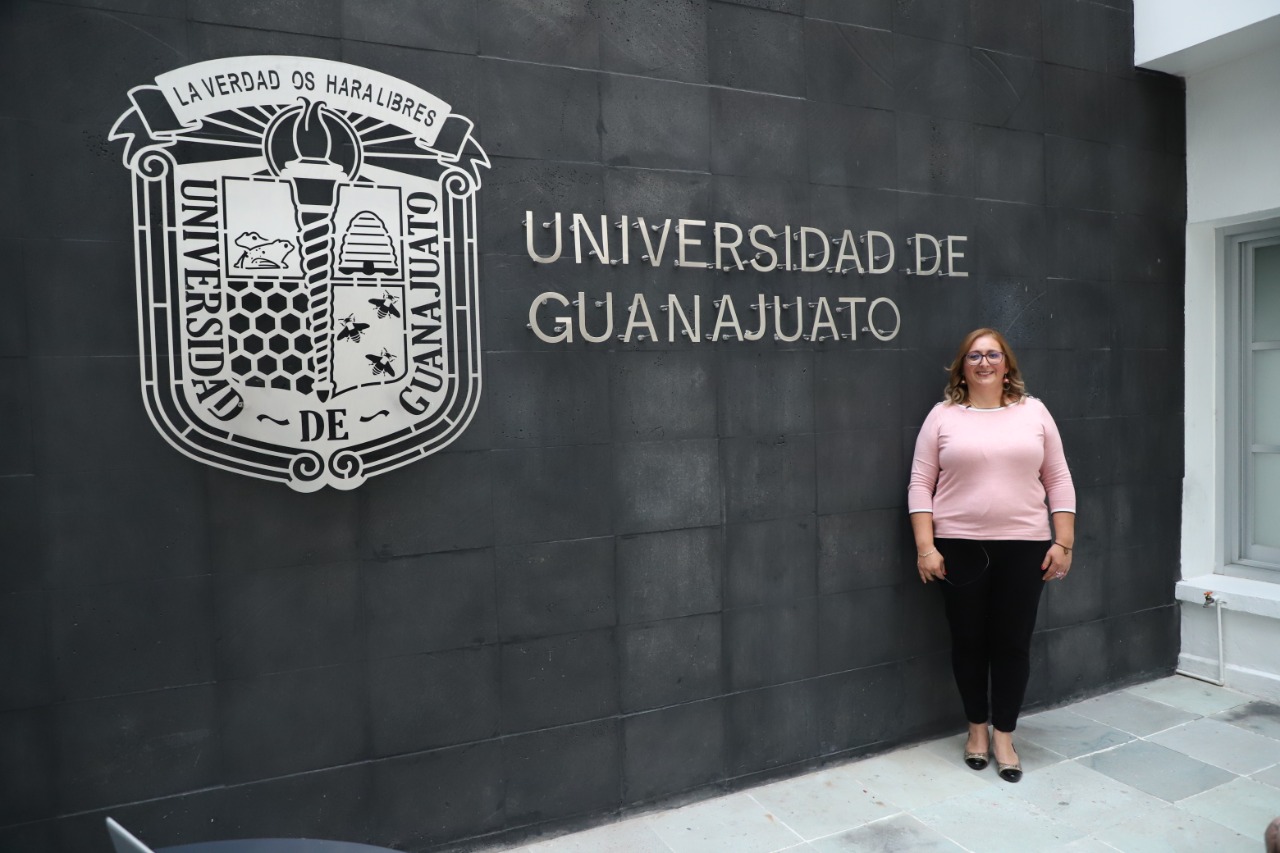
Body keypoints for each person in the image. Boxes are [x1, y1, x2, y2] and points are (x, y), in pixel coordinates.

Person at [907, 328, 1076, 783]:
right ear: (962, 366)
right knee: (968, 642)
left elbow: (1058, 478)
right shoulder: (942, 417)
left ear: (1007, 365)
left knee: (1012, 644)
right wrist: (927, 547)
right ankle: (976, 731)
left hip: (1025, 548)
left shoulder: (1034, 413)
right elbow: (920, 486)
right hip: (959, 548)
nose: (984, 363)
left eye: (993, 355)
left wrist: (1063, 542)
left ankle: (1004, 734)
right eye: (974, 356)